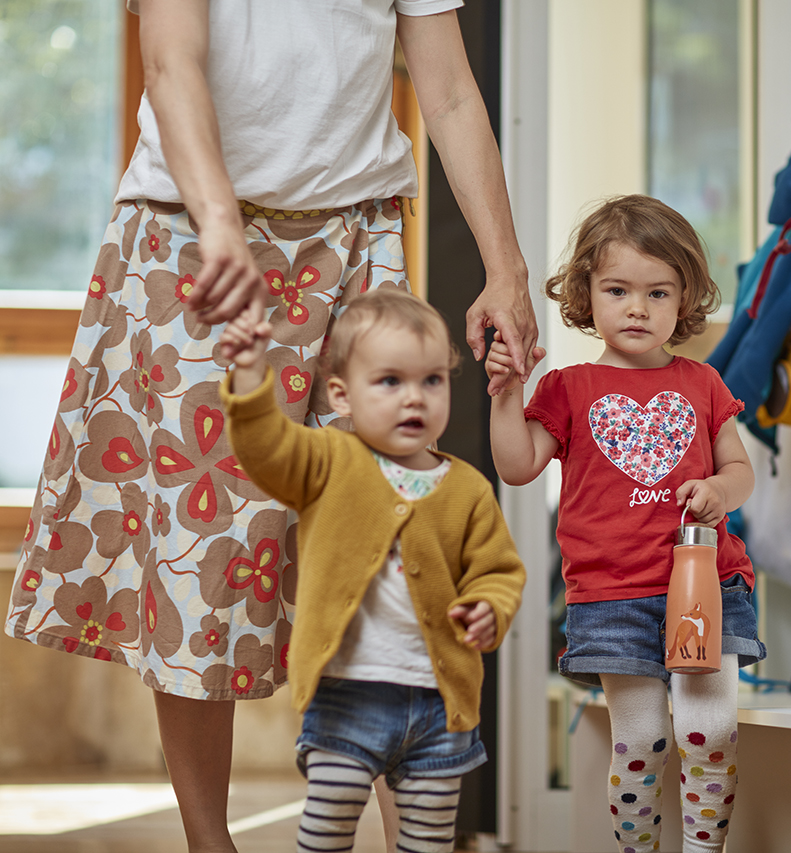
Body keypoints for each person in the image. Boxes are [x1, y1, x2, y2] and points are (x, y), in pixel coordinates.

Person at [3, 1, 536, 851]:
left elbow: (450, 92)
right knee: (198, 551)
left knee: (398, 533)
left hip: (357, 235)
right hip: (191, 233)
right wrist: (218, 221)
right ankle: (211, 843)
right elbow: (172, 62)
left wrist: (505, 268)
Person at [486, 195, 766, 853]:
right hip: (612, 598)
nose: (637, 307)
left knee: (712, 728)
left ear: (684, 299)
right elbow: (518, 463)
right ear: (587, 294)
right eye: (618, 289)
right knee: (640, 738)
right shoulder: (567, 387)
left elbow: (740, 470)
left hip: (706, 587)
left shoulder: (702, 382)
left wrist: (718, 491)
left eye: (658, 291)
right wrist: (506, 394)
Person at [218, 288, 525, 853]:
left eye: (431, 381)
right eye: (390, 381)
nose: (415, 398)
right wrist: (247, 378)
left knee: (430, 842)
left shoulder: (468, 490)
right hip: (347, 698)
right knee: (326, 831)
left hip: (439, 705)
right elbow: (265, 449)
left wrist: (490, 607)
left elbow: (498, 570)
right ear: (343, 394)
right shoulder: (328, 461)